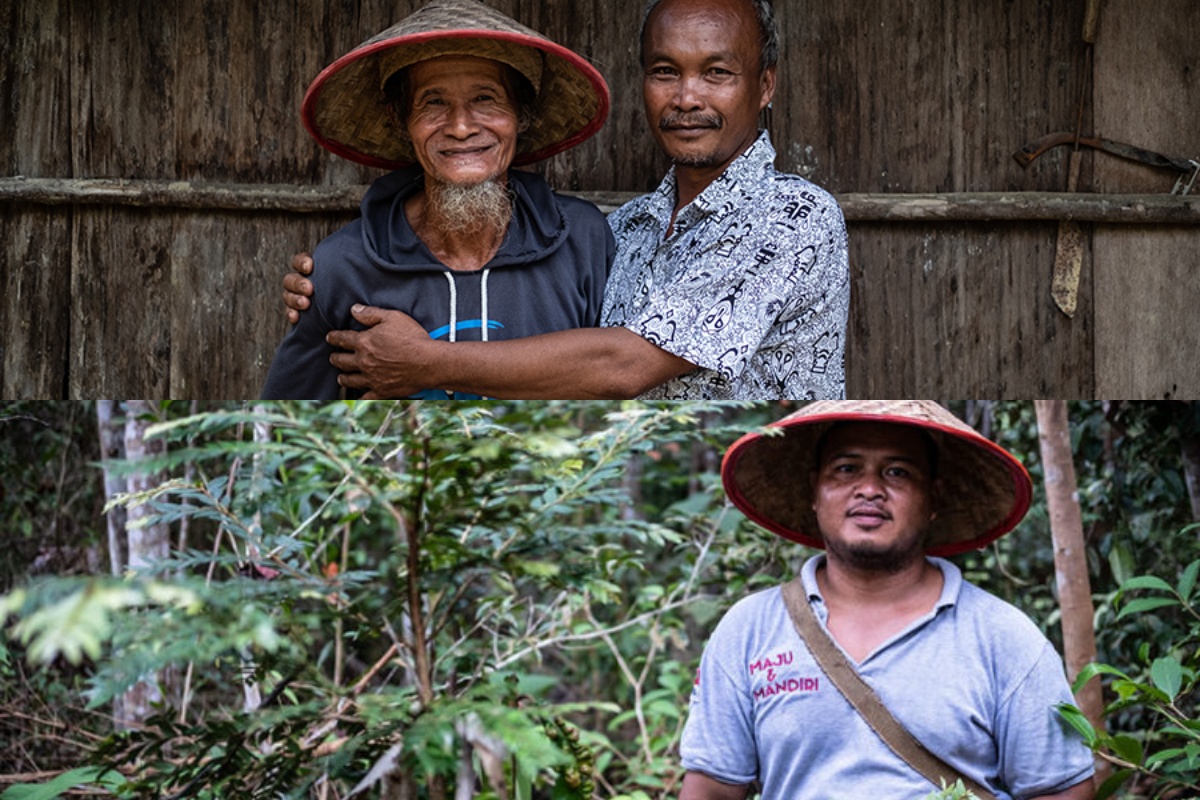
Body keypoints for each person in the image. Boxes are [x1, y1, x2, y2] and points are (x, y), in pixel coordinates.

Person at [282, 0, 850, 400]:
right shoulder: (619, 232)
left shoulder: (791, 218)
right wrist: (329, 278)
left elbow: (622, 367)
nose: (687, 97)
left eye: (717, 72)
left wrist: (426, 363)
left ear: (766, 84)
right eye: (664, 72)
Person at [686, 400, 1097, 798]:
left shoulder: (1003, 637)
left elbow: (1061, 790)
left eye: (897, 472)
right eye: (846, 469)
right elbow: (712, 789)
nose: (869, 489)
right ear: (815, 491)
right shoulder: (750, 629)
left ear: (933, 498)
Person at [261, 0, 614, 398]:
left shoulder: (584, 241)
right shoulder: (343, 267)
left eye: (485, 98)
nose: (461, 127)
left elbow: (622, 381)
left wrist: (428, 364)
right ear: (401, 119)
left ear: (521, 114)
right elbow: (287, 433)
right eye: (433, 102)